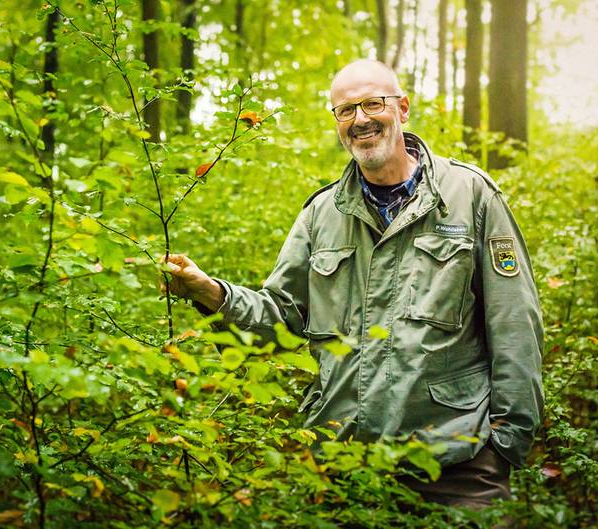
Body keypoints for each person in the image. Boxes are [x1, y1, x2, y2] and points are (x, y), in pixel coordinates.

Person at [164, 59, 543, 508]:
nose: (360, 119)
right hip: (341, 462)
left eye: (372, 104)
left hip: (457, 463)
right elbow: (283, 318)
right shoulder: (322, 214)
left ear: (402, 108)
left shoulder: (470, 196)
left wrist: (506, 443)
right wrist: (210, 291)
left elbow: (514, 320)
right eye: (346, 111)